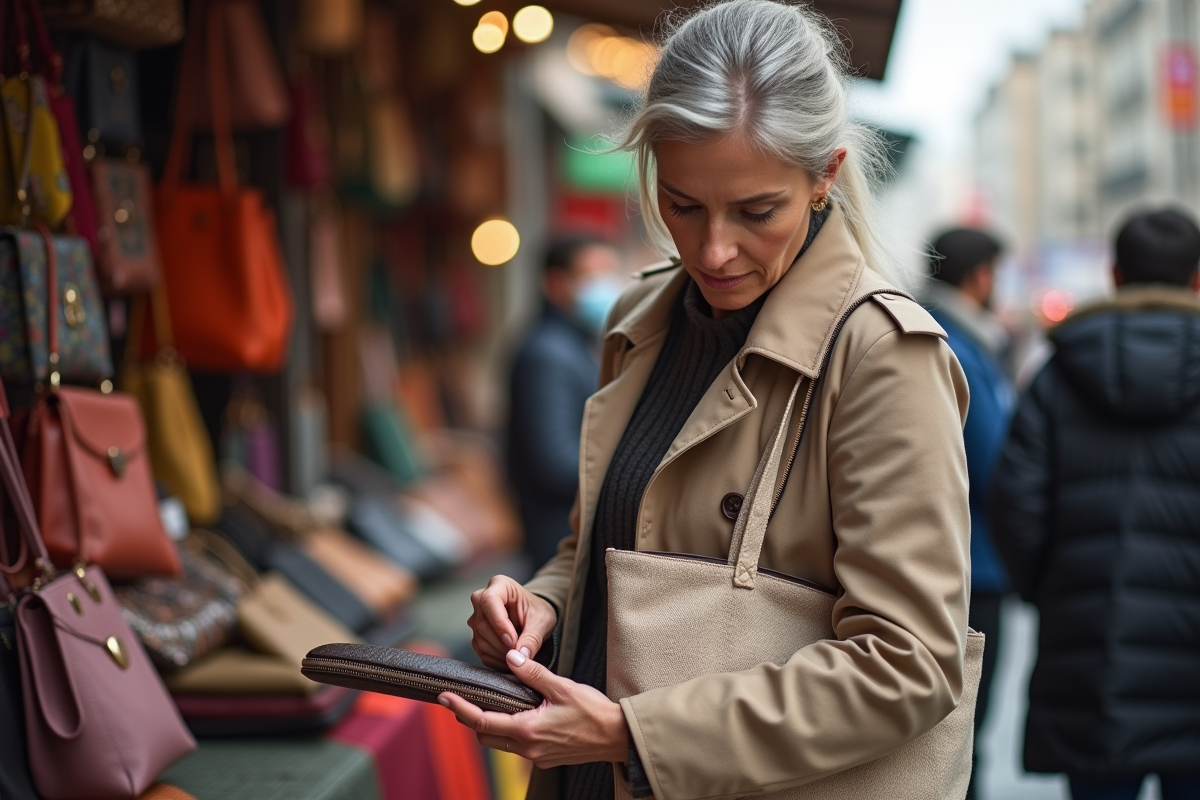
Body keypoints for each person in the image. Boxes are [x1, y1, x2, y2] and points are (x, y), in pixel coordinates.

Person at [444, 3, 971, 798]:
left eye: (757, 212)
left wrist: (636, 733)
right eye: (682, 204)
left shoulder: (881, 355)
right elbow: (608, 543)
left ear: (824, 175)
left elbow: (909, 663)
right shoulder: (638, 320)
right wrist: (542, 604)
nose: (713, 250)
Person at [990, 207, 1200, 800]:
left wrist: (1051, 587)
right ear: (1196, 277)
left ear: (1114, 273)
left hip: (1091, 643)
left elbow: (1017, 501)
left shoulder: (1058, 374)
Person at [925, 228, 1016, 798]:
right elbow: (995, 463)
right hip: (972, 572)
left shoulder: (939, 333)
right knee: (961, 744)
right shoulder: (959, 344)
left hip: (953, 566)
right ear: (980, 276)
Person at [507, 235, 623, 571]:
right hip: (557, 539)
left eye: (609, 276)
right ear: (556, 284)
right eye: (591, 277)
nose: (605, 288)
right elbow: (556, 464)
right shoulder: (548, 355)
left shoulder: (579, 344)